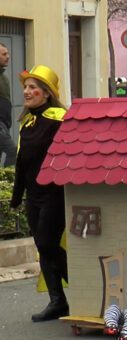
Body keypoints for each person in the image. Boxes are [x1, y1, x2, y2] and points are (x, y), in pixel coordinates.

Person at [10, 66, 68, 322]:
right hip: (33, 195)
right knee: (43, 247)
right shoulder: (27, 122)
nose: (27, 91)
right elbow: (22, 161)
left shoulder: (60, 119)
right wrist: (17, 195)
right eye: (26, 87)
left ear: (47, 94)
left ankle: (88, 285)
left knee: (47, 242)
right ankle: (57, 302)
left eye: (34, 87)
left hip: (54, 193)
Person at [0, 43, 15, 167]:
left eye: (8, 53)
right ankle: (9, 181)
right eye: (4, 54)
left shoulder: (4, 78)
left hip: (5, 124)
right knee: (13, 150)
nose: (8, 56)